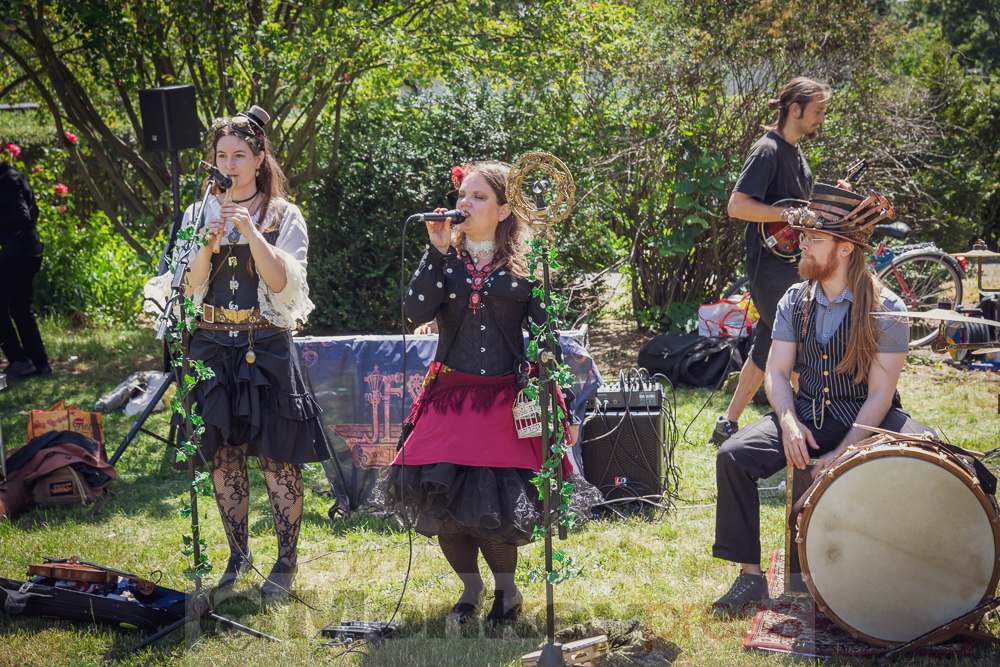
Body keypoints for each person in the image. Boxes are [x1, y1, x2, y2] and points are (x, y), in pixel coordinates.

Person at [372, 161, 601, 626]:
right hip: (451, 395)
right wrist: (436, 252)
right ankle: (470, 587)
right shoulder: (444, 257)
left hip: (506, 398)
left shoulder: (528, 263)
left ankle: (506, 591)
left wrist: (555, 402)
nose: (464, 204)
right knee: (443, 502)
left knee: (496, 504)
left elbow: (546, 338)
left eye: (478, 197)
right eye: (463, 195)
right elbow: (414, 307)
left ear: (502, 210)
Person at [710, 185, 932, 617]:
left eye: (814, 239)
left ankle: (908, 574)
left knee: (936, 462)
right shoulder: (796, 299)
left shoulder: (887, 308)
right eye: (804, 237)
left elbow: (880, 396)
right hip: (808, 412)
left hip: (868, 418)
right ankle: (750, 577)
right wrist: (789, 421)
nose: (802, 246)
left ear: (845, 248)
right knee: (733, 456)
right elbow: (775, 373)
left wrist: (841, 455)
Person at [167, 106, 328, 596]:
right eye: (222, 155)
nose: (230, 164)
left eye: (240, 155)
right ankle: (238, 557)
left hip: (266, 344)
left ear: (259, 159)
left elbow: (283, 285)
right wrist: (210, 242)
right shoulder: (198, 213)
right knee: (223, 457)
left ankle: (285, 562)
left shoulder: (284, 215)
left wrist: (252, 232)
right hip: (213, 345)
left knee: (279, 459)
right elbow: (189, 284)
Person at [712, 77, 853, 445]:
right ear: (795, 109)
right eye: (818, 111)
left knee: (766, 344)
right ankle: (813, 425)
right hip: (769, 267)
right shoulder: (767, 150)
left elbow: (801, 212)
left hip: (792, 263)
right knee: (800, 341)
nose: (822, 118)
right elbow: (737, 206)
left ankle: (727, 423)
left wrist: (833, 200)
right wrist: (788, 215)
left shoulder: (796, 153)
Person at [0, 153, 51, 379]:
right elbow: (33, 212)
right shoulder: (13, 176)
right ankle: (39, 365)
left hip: (18, 253)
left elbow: (22, 215)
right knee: (21, 309)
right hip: (27, 249)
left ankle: (20, 360)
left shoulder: (6, 180)